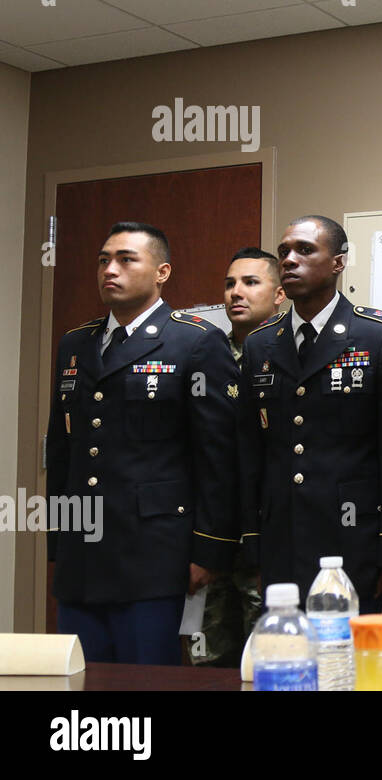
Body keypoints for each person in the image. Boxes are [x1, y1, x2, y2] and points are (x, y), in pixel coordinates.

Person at [46, 222, 240, 664]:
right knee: (81, 682)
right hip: (81, 561)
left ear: (161, 272)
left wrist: (209, 550)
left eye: (125, 259)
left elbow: (218, 457)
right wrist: (59, 543)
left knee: (148, 682)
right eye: (103, 260)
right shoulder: (76, 343)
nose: (109, 270)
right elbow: (63, 451)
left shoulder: (194, 341)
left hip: (155, 558)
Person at [237, 215, 382, 612]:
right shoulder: (260, 345)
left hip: (354, 541)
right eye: (284, 252)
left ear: (339, 262)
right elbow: (249, 456)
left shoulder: (380, 336)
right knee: (290, 660)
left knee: (348, 666)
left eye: (305, 250)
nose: (290, 260)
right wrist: (253, 545)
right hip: (282, 543)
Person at [189, 247, 284, 667]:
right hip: (210, 535)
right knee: (206, 661)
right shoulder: (204, 354)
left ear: (280, 294)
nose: (235, 293)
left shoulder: (291, 352)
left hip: (267, 534)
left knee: (266, 661)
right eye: (229, 283)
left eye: (250, 282)